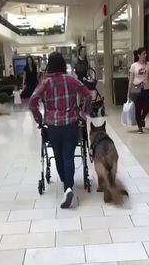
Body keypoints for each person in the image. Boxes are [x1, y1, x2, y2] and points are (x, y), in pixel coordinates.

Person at [30, 52, 92, 209]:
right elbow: (88, 95)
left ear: (49, 65)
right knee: (68, 156)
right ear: (64, 64)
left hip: (53, 126)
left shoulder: (46, 83)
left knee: (57, 156)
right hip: (70, 124)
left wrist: (39, 118)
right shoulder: (72, 79)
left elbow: (32, 101)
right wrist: (84, 113)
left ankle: (66, 182)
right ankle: (69, 188)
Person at [127, 47, 149, 133]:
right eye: (143, 54)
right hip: (136, 89)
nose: (145, 55)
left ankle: (142, 117)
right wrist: (129, 91)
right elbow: (131, 79)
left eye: (145, 54)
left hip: (146, 89)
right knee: (138, 108)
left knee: (146, 107)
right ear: (139, 55)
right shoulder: (134, 66)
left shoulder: (148, 65)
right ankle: (140, 127)